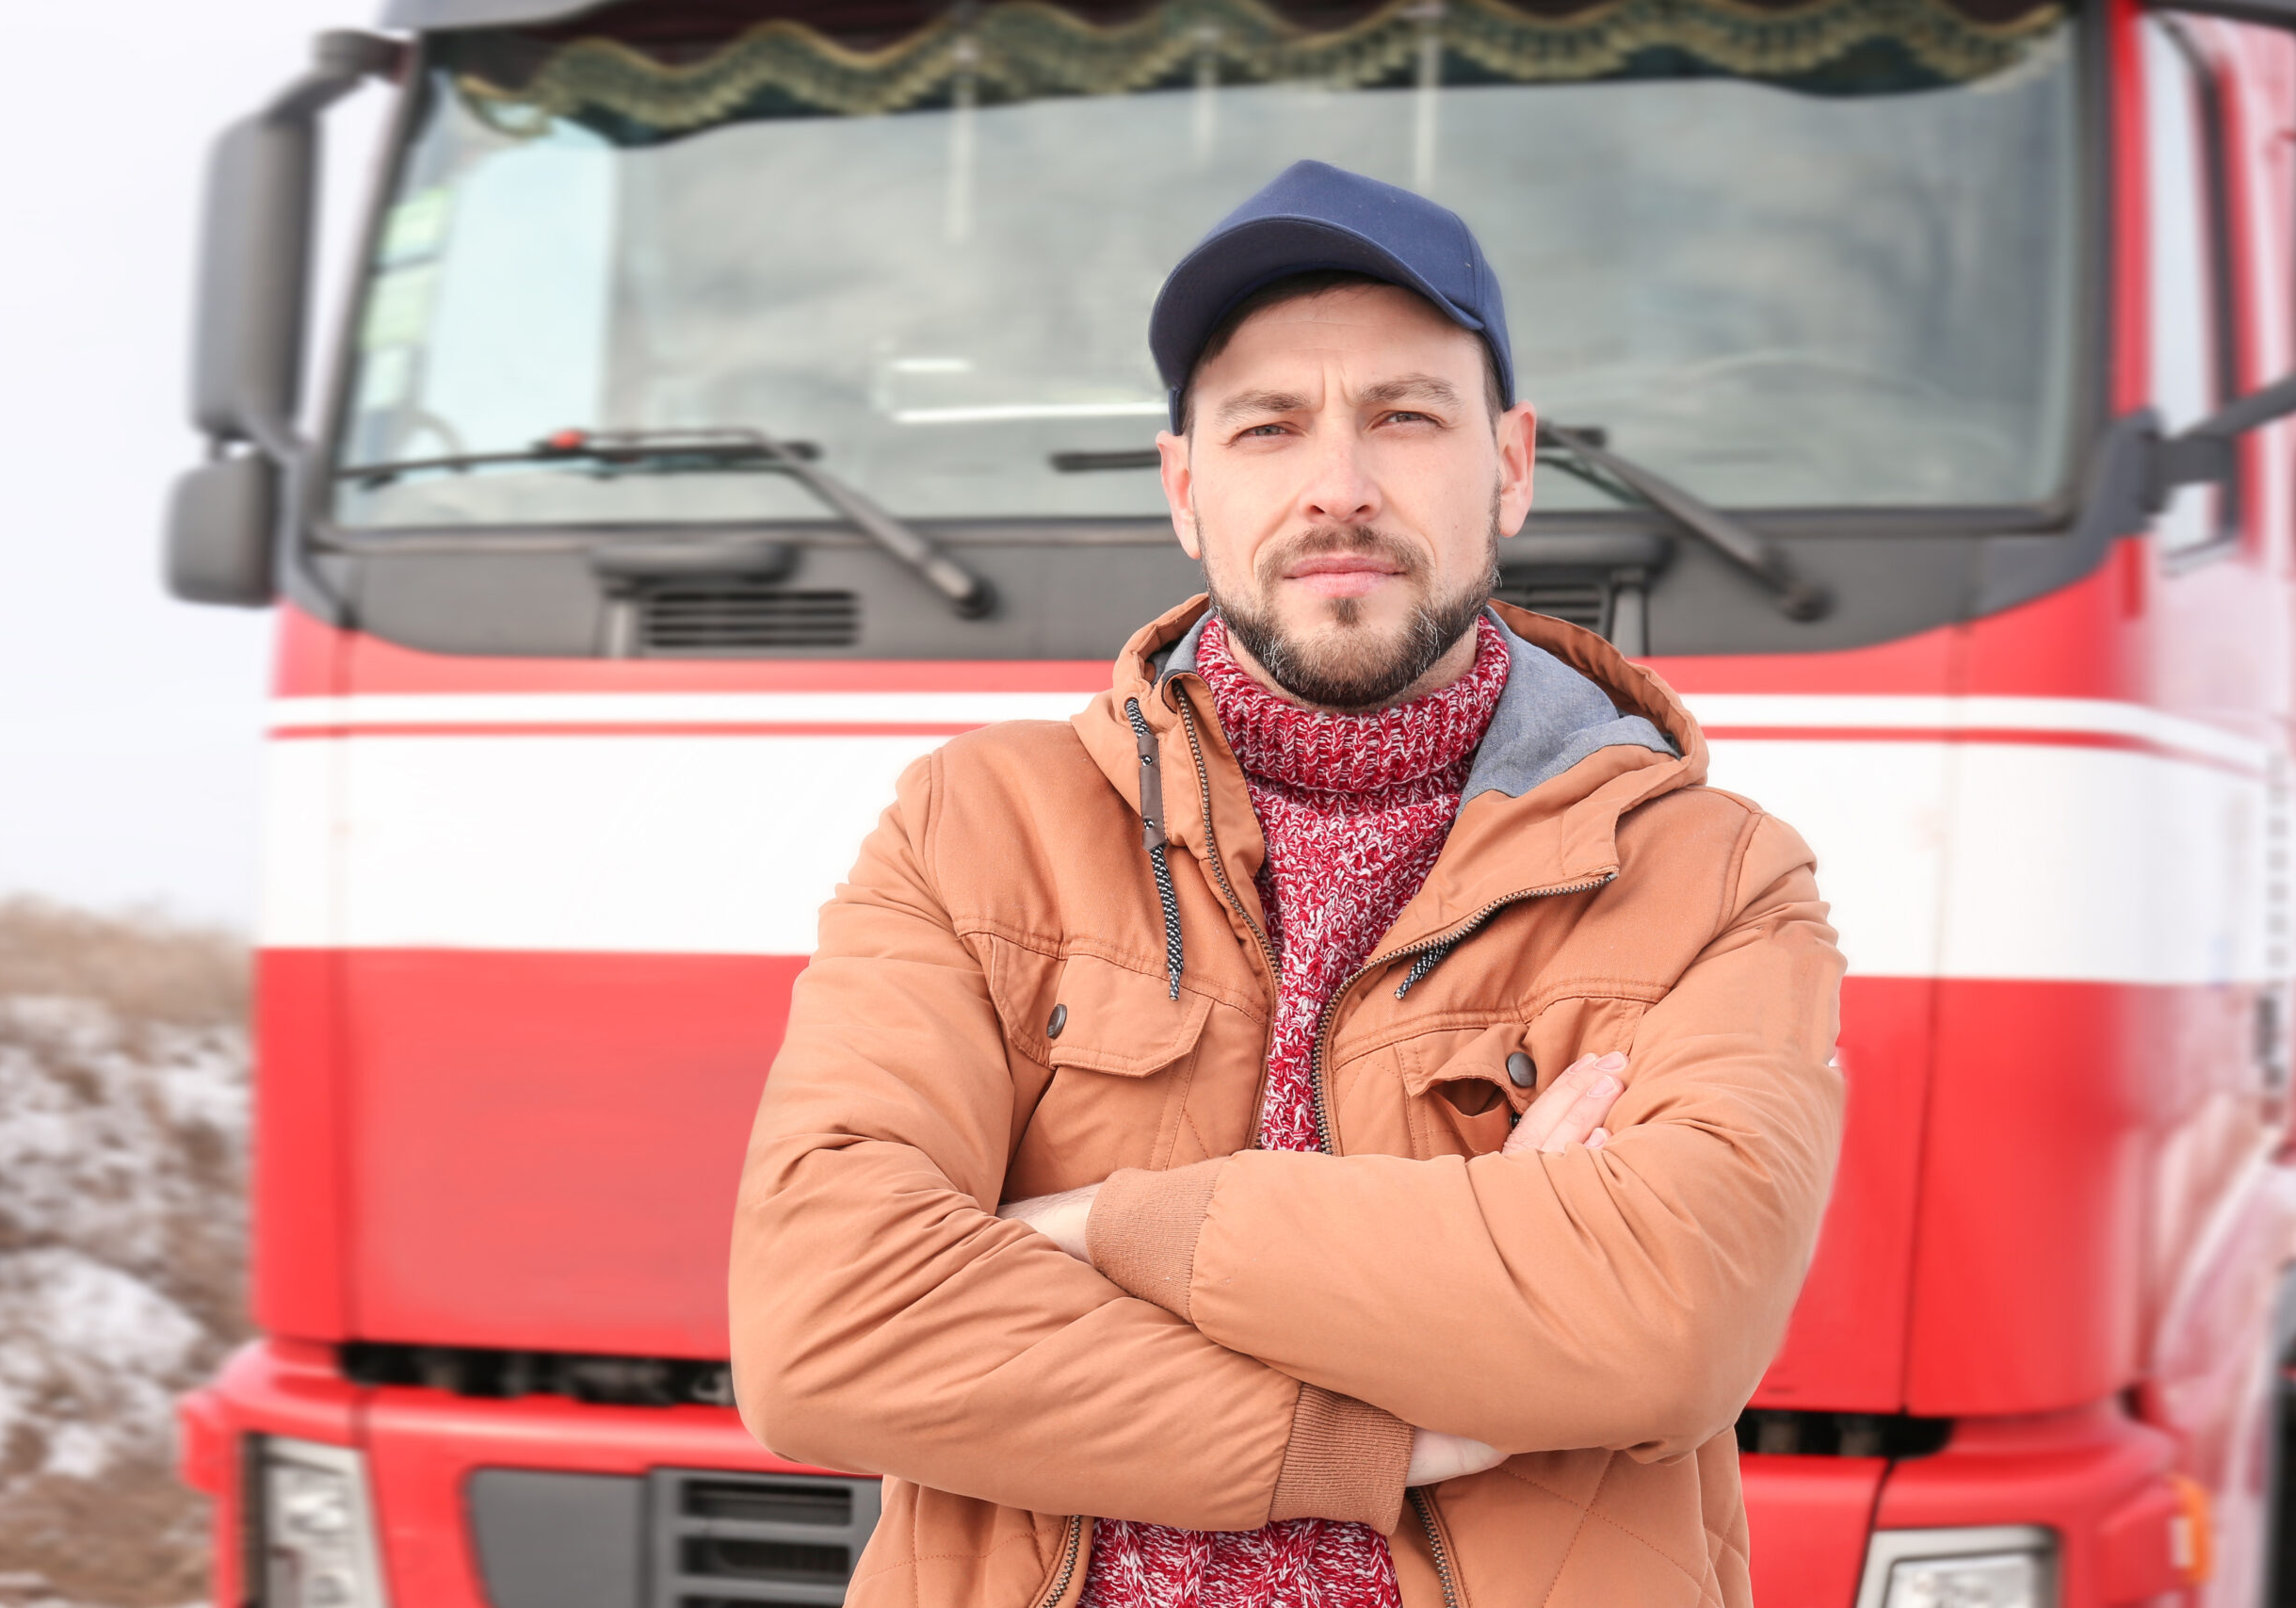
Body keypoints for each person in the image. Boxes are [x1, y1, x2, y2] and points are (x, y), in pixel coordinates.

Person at [730, 160, 1846, 1608]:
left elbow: (1670, 1324)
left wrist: (1094, 1228)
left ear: (1510, 463)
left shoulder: (1715, 878)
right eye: (1269, 425)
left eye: (1404, 415)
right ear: (1187, 488)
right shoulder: (975, 827)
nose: (1340, 486)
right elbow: (824, 1329)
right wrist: (1381, 1415)